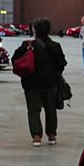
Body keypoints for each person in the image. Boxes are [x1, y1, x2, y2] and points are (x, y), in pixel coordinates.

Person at [13, 17, 66, 147]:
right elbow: (61, 64)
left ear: (34, 31)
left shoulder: (27, 46)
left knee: (33, 110)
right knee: (51, 109)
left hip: (32, 84)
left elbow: (15, 60)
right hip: (51, 83)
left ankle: (36, 136)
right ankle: (52, 135)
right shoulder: (55, 46)